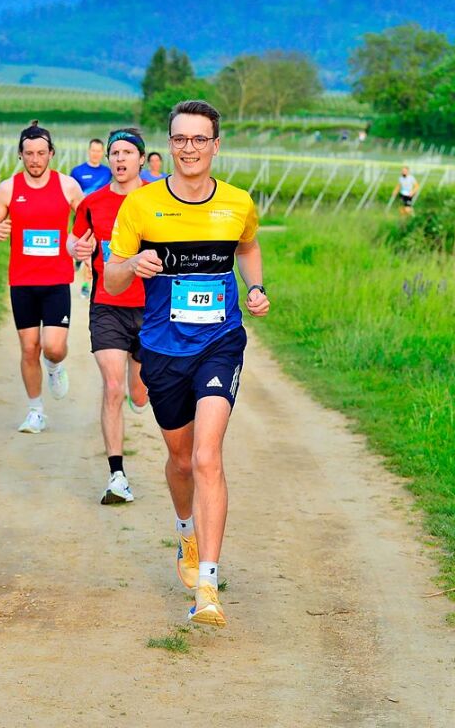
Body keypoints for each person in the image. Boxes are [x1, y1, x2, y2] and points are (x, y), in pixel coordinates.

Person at [105, 100, 270, 628]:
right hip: (161, 347)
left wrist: (256, 286)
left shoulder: (238, 203)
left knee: (206, 457)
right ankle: (186, 534)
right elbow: (111, 280)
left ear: (216, 146)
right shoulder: (142, 206)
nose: (190, 148)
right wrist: (133, 264)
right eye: (181, 139)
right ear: (170, 143)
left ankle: (208, 588)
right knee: (179, 462)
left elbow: (248, 248)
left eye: (201, 139)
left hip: (220, 342)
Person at [0, 121, 84, 433]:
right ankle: (36, 411)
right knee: (29, 348)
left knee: (51, 347)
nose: (35, 159)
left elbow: (86, 219)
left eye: (41, 153)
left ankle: (54, 366)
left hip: (56, 280)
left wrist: (79, 240)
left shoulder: (67, 186)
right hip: (23, 281)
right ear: (20, 155)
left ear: (51, 154)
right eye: (29, 153)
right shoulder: (9, 188)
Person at [69, 128, 150, 505]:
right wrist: (75, 248)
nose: (119, 159)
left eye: (127, 153)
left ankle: (142, 380)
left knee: (140, 392)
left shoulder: (157, 200)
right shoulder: (92, 202)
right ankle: (117, 475)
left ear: (140, 159)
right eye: (114, 152)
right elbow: (75, 242)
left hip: (152, 308)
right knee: (113, 387)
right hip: (107, 305)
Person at [70, 139, 111, 298]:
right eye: (93, 150)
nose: (96, 154)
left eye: (99, 151)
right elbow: (72, 196)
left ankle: (86, 286)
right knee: (85, 250)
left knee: (94, 252)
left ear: (102, 153)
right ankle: (79, 260)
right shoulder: (77, 171)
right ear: (89, 151)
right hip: (82, 218)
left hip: (101, 220)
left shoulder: (108, 172)